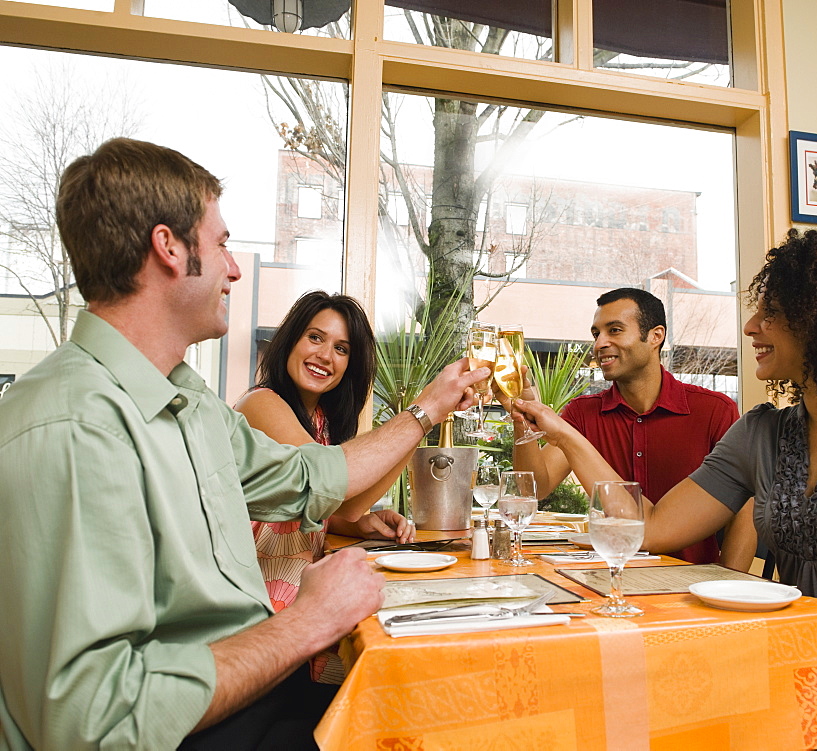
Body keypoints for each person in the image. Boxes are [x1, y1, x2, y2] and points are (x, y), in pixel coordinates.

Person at [0, 137, 486, 750]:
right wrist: (309, 622)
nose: (233, 268)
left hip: (248, 694)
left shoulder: (188, 401)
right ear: (168, 248)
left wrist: (426, 410)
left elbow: (308, 481)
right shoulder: (73, 428)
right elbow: (98, 724)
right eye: (223, 243)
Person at [517, 229, 817, 749]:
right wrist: (561, 431)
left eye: (769, 315)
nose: (750, 327)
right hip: (791, 662)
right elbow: (651, 527)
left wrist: (806, 685)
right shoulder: (761, 432)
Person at [234, 290, 413, 684]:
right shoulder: (261, 404)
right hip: (257, 619)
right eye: (315, 338)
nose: (325, 356)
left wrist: (360, 524)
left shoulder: (322, 421)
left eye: (341, 348)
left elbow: (340, 508)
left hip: (300, 605)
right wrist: (421, 416)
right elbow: (332, 486)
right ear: (292, 340)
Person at [511, 287, 756, 568]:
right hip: (609, 575)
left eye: (614, 330)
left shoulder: (714, 410)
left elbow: (743, 509)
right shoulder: (583, 413)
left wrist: (727, 581)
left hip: (690, 583)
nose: (600, 343)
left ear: (655, 336)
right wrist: (522, 419)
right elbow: (533, 489)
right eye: (596, 334)